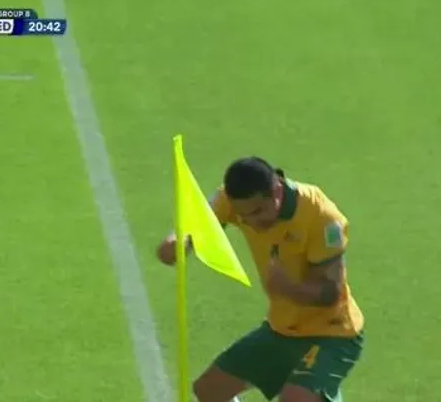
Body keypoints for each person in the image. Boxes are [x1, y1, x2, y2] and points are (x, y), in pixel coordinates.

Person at [156, 157, 365, 402]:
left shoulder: (321, 216)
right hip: (281, 328)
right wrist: (179, 241)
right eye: (244, 217)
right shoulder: (232, 201)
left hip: (332, 333)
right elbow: (197, 223)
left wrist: (289, 288)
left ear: (276, 189)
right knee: (209, 391)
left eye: (258, 212)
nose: (253, 222)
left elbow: (331, 293)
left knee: (295, 399)